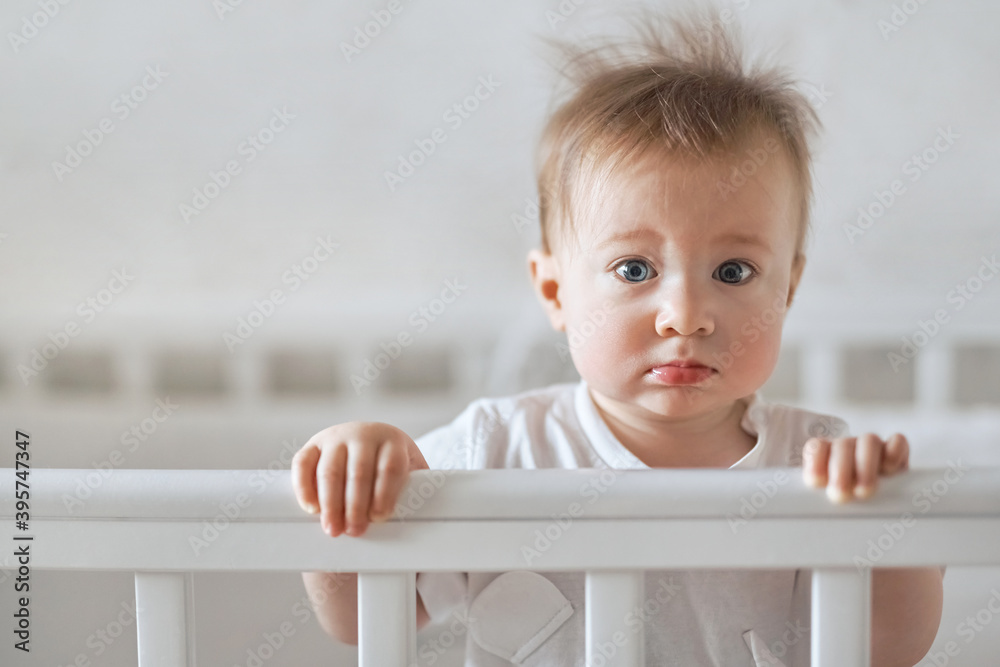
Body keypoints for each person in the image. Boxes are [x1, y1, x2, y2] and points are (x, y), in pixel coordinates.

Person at [292, 5, 944, 665]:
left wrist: (882, 523)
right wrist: (352, 477)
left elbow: (889, 647)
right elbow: (359, 615)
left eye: (734, 270)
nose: (685, 314)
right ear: (556, 292)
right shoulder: (495, 446)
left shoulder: (816, 462)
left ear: (788, 289)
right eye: (635, 269)